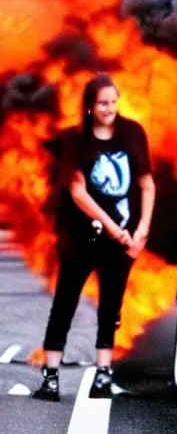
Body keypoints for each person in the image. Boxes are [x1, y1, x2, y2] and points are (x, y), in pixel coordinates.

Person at [32, 73, 156, 401]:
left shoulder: (132, 134)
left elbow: (146, 183)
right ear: (89, 106)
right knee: (65, 303)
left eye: (114, 103)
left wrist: (141, 231)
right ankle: (52, 378)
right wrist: (114, 229)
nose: (110, 109)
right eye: (103, 104)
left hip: (124, 239)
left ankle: (103, 376)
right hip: (81, 237)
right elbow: (77, 191)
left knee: (111, 307)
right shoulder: (76, 141)